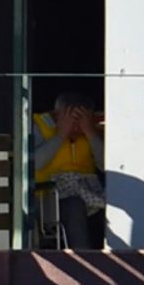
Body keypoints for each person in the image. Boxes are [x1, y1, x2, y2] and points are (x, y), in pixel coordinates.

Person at [33, 92, 105, 249]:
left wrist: (90, 132)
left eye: (81, 122)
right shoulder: (38, 125)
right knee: (74, 206)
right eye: (73, 121)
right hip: (48, 199)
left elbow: (105, 166)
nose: (76, 128)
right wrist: (61, 135)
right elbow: (34, 163)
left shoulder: (91, 130)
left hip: (91, 195)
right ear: (57, 115)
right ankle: (83, 260)